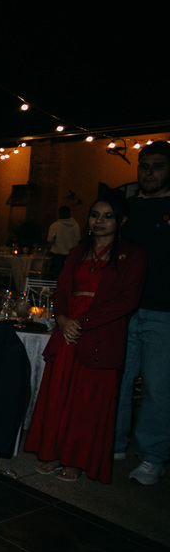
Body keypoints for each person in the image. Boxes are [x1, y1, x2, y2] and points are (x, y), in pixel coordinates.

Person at [26, 197, 145, 482]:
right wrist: (62, 319)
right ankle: (53, 450)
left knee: (89, 399)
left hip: (102, 331)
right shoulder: (77, 251)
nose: (99, 221)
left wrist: (82, 322)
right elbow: (61, 291)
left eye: (108, 216)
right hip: (68, 328)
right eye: (94, 215)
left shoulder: (133, 255)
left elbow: (128, 300)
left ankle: (77, 459)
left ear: (121, 220)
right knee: (59, 393)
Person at [116, 141, 170, 484]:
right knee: (118, 380)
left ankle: (152, 457)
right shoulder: (128, 209)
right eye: (144, 166)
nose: (149, 173)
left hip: (164, 312)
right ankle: (114, 443)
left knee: (156, 388)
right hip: (125, 310)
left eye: (158, 166)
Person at [46, 205, 81, 280]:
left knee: (58, 278)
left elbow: (50, 240)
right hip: (72, 256)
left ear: (59, 213)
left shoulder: (55, 226)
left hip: (58, 256)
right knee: (70, 278)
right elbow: (78, 239)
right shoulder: (76, 225)